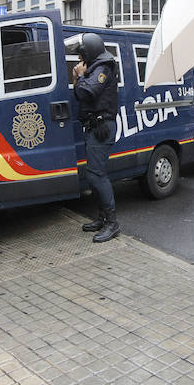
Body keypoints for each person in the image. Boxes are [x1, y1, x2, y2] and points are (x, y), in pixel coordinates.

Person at [73, 33, 120, 243]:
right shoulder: (95, 67)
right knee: (95, 174)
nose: (80, 59)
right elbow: (80, 93)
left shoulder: (102, 68)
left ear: (89, 52)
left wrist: (81, 77)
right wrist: (78, 78)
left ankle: (112, 223)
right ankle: (102, 218)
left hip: (102, 127)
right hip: (94, 126)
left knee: (96, 175)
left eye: (82, 54)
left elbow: (88, 92)